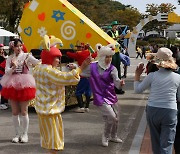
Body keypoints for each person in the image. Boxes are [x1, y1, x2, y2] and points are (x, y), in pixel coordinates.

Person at [32, 35, 91, 154]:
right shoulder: (49, 71)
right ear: (50, 57)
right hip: (50, 110)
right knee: (54, 142)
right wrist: (82, 67)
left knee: (49, 139)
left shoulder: (38, 68)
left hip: (43, 109)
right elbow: (67, 77)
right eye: (57, 57)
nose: (59, 60)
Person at [134, 47, 180, 154]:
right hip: (170, 111)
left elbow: (138, 90)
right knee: (167, 143)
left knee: (155, 142)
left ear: (157, 62)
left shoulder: (152, 76)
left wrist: (137, 75)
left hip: (153, 110)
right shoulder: (177, 77)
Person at [1, 39, 40, 143]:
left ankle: (25, 134)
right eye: (17, 46)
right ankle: (17, 134)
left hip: (25, 85)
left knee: (24, 111)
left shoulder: (27, 56)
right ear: (13, 47)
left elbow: (38, 62)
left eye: (20, 46)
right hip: (12, 85)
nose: (19, 48)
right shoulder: (9, 58)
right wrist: (13, 67)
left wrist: (45, 55)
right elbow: (6, 72)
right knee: (14, 112)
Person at [86, 43, 124, 147]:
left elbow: (117, 82)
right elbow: (81, 72)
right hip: (99, 97)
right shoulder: (92, 67)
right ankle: (106, 136)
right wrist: (74, 67)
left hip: (111, 96)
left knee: (116, 118)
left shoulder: (112, 68)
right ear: (102, 56)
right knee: (111, 117)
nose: (109, 59)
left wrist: (120, 84)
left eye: (111, 56)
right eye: (107, 56)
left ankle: (114, 136)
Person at [67, 43, 97, 113]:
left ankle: (81, 107)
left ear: (82, 48)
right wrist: (90, 48)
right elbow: (95, 54)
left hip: (83, 76)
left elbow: (69, 54)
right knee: (88, 92)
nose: (77, 48)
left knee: (78, 92)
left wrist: (68, 50)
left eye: (78, 47)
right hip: (90, 77)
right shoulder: (88, 53)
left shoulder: (79, 54)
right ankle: (87, 107)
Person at [107, 21, 125, 94]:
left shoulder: (117, 32)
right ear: (112, 26)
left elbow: (118, 41)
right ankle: (113, 88)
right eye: (114, 25)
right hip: (112, 51)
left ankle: (118, 87)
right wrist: (117, 37)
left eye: (116, 25)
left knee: (118, 68)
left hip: (117, 51)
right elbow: (109, 40)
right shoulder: (109, 32)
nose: (116, 27)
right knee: (113, 68)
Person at [0, 44, 8, 110]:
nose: (2, 50)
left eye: (2, 49)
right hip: (0, 73)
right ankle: (1, 103)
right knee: (2, 88)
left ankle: (5, 101)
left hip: (5, 73)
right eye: (0, 49)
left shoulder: (5, 54)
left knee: (5, 87)